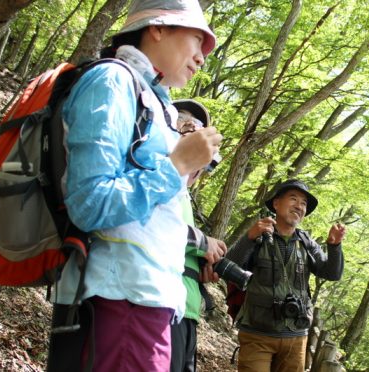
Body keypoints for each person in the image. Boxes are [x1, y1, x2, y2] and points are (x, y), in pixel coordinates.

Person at [47, 1, 221, 371]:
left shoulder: (154, 101)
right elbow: (90, 203)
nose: (203, 57)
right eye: (197, 38)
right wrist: (177, 165)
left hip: (145, 302)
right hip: (119, 301)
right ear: (157, 28)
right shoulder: (111, 81)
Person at [225, 179, 346, 372]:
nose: (299, 206)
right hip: (257, 335)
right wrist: (249, 237)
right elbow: (228, 266)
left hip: (296, 338)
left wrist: (334, 246)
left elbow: (332, 273)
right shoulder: (259, 235)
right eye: (293, 199)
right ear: (276, 203)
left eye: (304, 203)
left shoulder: (307, 243)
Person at [170, 99, 227, 372]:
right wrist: (203, 243)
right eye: (181, 118)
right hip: (162, 308)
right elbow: (147, 225)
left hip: (188, 310)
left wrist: (200, 266)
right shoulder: (156, 172)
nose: (189, 126)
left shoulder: (184, 199)